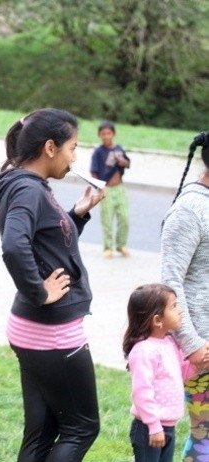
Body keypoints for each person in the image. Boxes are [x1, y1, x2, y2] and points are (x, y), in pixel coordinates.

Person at [0, 108, 104, 461]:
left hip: (31, 327)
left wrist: (77, 213)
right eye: (73, 147)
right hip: (52, 332)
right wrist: (40, 290)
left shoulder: (24, 183)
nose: (75, 157)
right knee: (82, 428)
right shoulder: (27, 189)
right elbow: (13, 244)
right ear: (50, 147)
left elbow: (45, 239)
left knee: (42, 431)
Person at [161, 131, 209, 460]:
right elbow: (170, 280)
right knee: (204, 439)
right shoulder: (191, 209)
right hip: (203, 349)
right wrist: (192, 343)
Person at [123, 283, 196, 462]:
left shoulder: (170, 343)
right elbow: (142, 392)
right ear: (157, 320)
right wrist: (154, 427)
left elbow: (181, 375)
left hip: (167, 427)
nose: (180, 311)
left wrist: (198, 363)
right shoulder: (144, 350)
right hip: (149, 428)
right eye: (173, 306)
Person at [90, 120, 131, 258]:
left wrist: (122, 161)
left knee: (124, 218)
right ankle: (108, 248)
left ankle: (121, 245)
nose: (106, 136)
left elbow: (127, 163)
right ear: (99, 135)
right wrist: (98, 187)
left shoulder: (119, 149)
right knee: (107, 219)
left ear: (113, 134)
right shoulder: (98, 152)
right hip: (106, 188)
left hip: (119, 188)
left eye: (109, 133)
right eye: (103, 134)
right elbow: (94, 171)